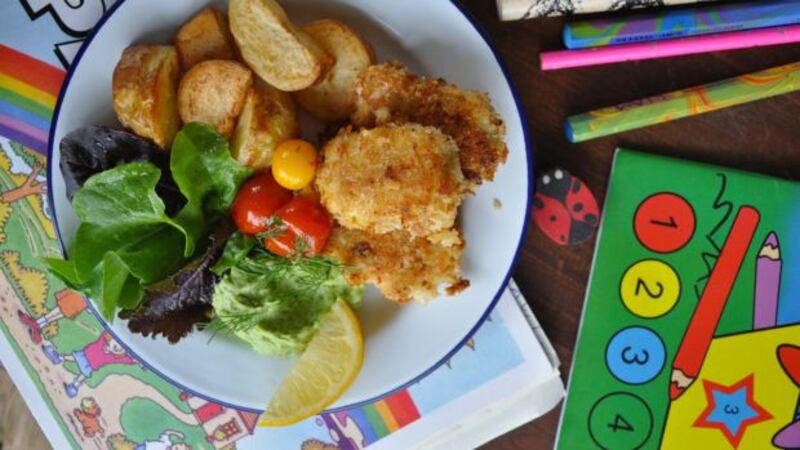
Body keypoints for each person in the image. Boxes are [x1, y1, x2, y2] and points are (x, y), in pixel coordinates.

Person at [41, 331, 137, 398]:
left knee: (83, 375)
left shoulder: (115, 357)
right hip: (85, 354)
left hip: (91, 365)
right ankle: (58, 358)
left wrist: (135, 360)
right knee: (74, 357)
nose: (118, 349)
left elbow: (127, 360)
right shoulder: (103, 339)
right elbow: (107, 329)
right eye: (116, 345)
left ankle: (74, 386)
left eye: (120, 350)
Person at [18, 289, 86, 343]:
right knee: (61, 308)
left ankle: (38, 325)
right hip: (79, 296)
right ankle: (36, 323)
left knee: (64, 312)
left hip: (83, 301)